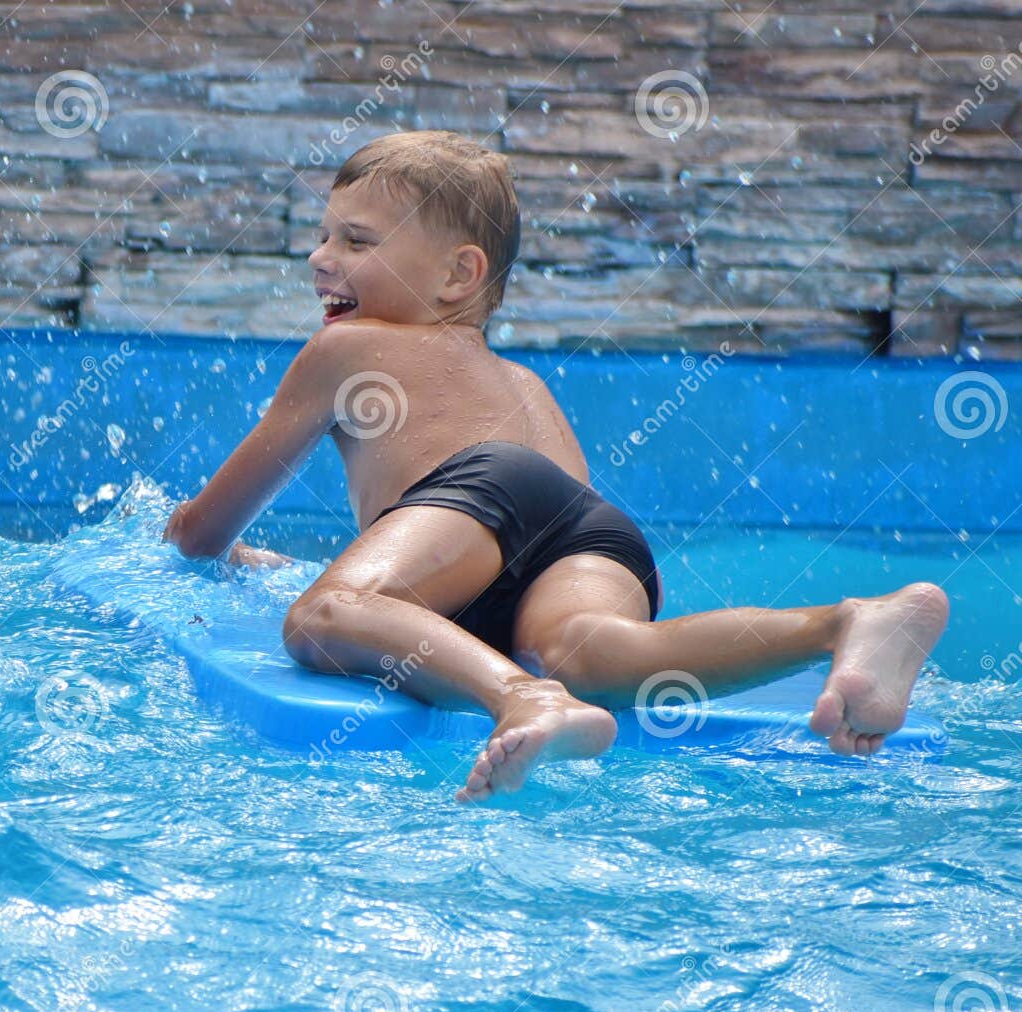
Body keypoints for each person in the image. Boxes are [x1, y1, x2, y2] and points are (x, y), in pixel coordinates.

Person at [163, 131, 949, 801]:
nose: (319, 257)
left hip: (485, 494)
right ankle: (845, 622)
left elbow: (204, 533)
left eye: (356, 242)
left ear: (458, 275)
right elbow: (528, 525)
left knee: (321, 616)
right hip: (596, 533)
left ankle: (523, 698)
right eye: (324, 235)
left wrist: (189, 533)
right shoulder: (525, 384)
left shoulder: (347, 348)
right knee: (590, 650)